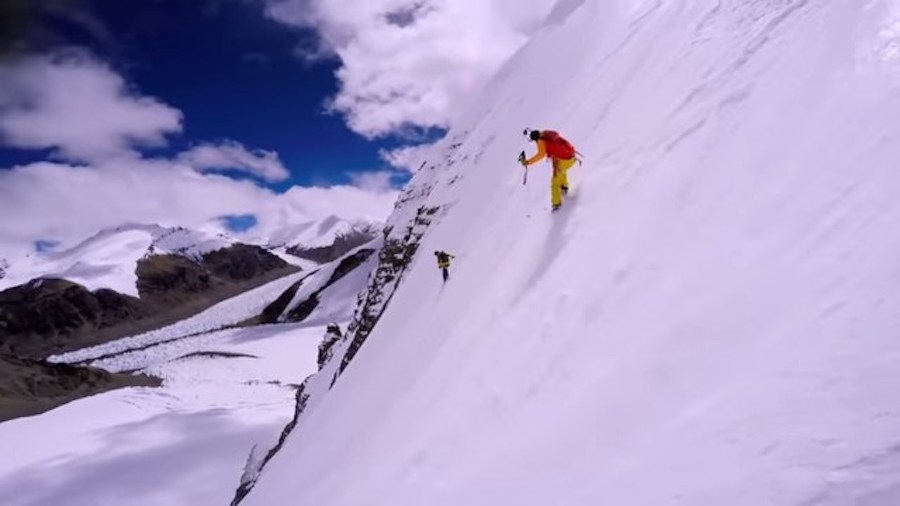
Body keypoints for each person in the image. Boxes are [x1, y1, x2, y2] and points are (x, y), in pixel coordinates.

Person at [521, 129, 578, 211]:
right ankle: (564, 187)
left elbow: (540, 155)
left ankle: (556, 203)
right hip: (571, 156)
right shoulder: (547, 134)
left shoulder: (541, 141)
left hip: (563, 161)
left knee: (554, 183)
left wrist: (528, 162)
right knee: (561, 172)